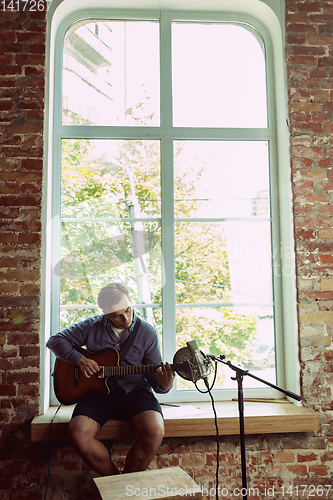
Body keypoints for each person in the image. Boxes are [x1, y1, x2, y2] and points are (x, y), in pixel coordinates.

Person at [46, 282, 175, 476]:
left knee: (155, 431)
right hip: (97, 393)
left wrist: (165, 385)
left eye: (128, 310)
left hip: (135, 390)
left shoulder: (147, 332)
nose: (125, 319)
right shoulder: (91, 326)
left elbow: (154, 378)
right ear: (105, 313)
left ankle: (127, 484)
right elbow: (54, 341)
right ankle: (114, 482)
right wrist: (80, 360)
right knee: (78, 434)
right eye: (117, 315)